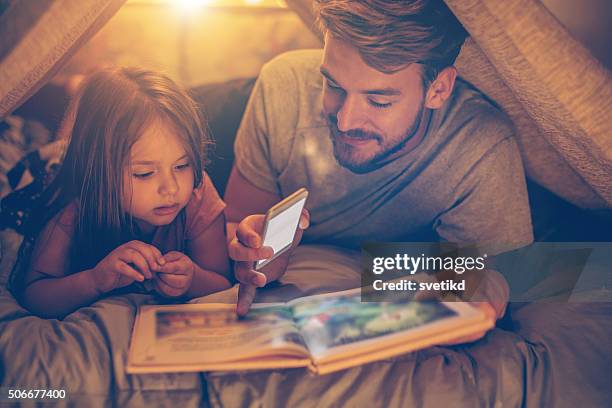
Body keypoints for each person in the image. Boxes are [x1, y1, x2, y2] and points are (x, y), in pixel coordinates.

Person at [225, 0, 533, 342]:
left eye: (379, 101)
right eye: (334, 86)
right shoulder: (282, 87)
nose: (345, 121)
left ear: (438, 90)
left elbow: (496, 277)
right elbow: (235, 225)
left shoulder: (480, 144)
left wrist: (469, 296)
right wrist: (252, 248)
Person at [11, 67, 232, 318]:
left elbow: (223, 282)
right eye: (144, 173)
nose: (171, 188)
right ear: (99, 172)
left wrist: (193, 280)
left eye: (182, 166)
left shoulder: (197, 193)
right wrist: (94, 281)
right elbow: (35, 295)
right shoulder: (75, 207)